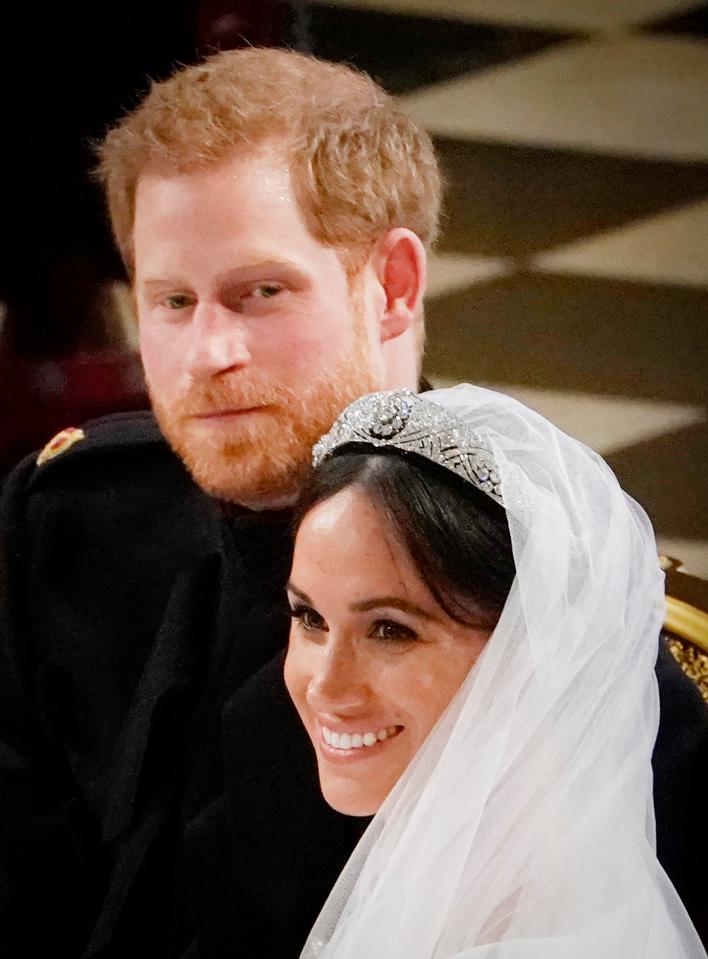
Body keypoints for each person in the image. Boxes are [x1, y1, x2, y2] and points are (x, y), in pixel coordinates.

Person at [0, 46, 704, 958]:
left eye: (260, 293)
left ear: (396, 286)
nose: (208, 352)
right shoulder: (70, 521)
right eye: (172, 300)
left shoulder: (551, 608)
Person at [284, 385, 708, 958]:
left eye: (390, 630)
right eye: (309, 617)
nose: (325, 686)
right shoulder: (442, 873)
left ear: (527, 651)